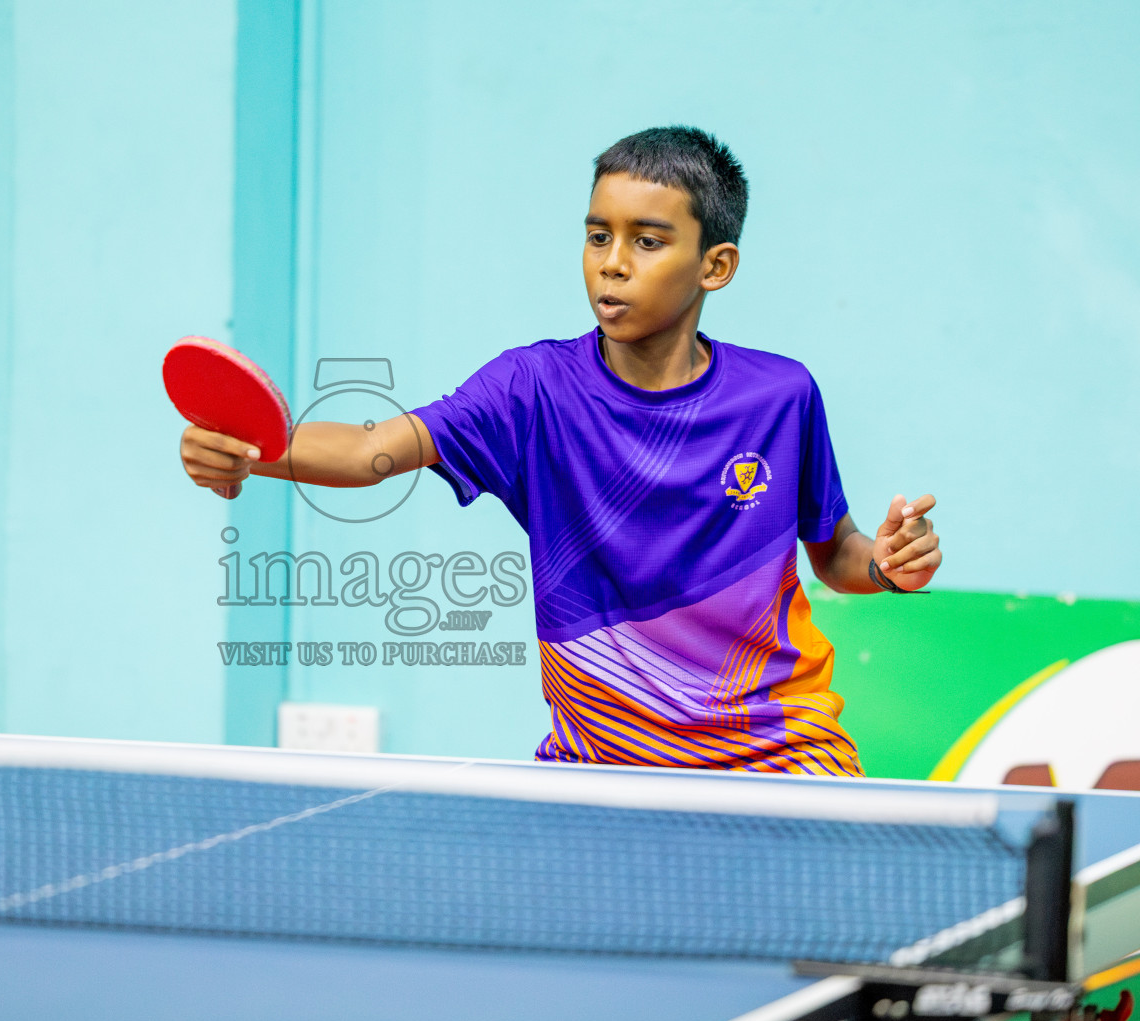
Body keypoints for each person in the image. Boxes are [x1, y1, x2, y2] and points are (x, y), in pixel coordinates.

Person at [178, 126, 941, 776]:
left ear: (716, 266)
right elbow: (369, 451)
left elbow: (834, 550)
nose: (612, 262)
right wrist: (254, 450)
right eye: (597, 235)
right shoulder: (532, 390)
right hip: (601, 766)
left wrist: (885, 565)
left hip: (781, 757)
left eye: (648, 241)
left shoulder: (779, 396)